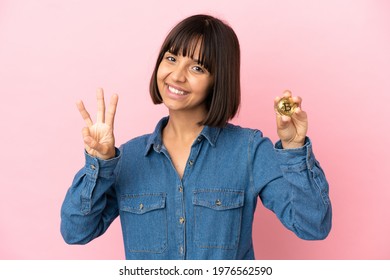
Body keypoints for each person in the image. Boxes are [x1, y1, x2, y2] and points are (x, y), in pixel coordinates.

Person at [60, 14, 332, 260]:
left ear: (219, 79)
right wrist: (99, 164)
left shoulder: (249, 150)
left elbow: (313, 225)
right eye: (171, 58)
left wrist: (294, 148)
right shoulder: (127, 158)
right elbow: (75, 231)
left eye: (197, 68)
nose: (176, 76)